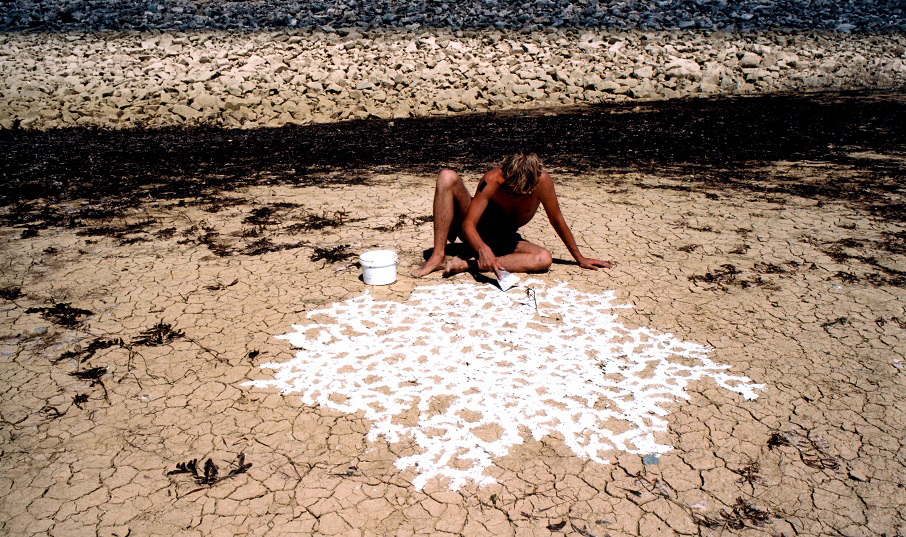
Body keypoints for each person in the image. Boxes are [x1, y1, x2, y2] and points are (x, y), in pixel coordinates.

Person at [413, 153, 611, 278]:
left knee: (544, 258)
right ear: (505, 177)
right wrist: (482, 247)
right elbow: (468, 224)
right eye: (512, 191)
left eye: (523, 194)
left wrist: (580, 258)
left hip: (505, 240)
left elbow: (556, 219)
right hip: (476, 232)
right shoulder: (492, 180)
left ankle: (469, 265)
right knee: (447, 176)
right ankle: (438, 255)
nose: (516, 196)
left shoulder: (544, 183)